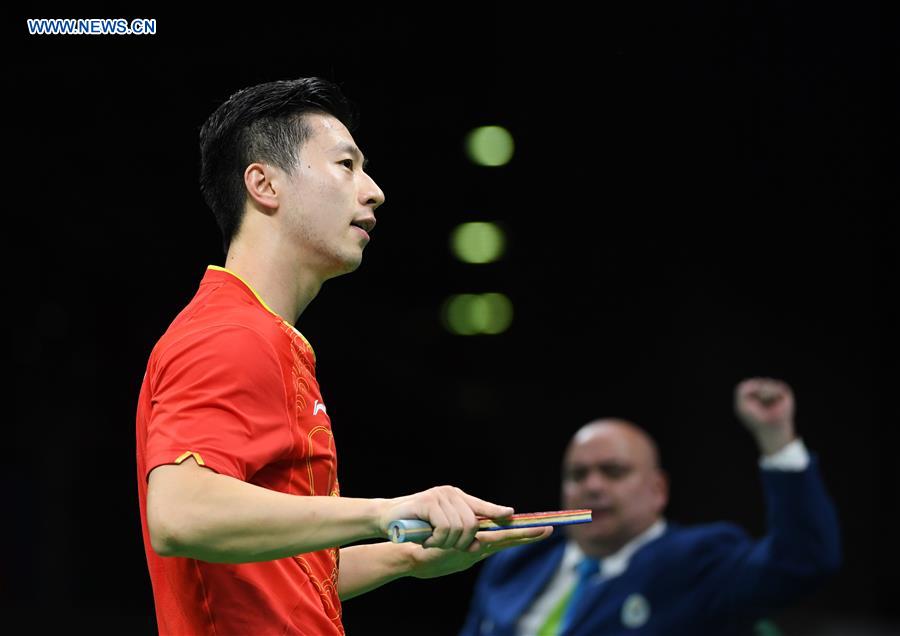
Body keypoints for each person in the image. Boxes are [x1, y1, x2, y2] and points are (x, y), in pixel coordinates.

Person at [135, 77, 552, 636]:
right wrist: (385, 511)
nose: (374, 191)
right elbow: (180, 514)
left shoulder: (265, 336)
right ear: (264, 184)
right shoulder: (230, 334)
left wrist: (405, 553)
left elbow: (276, 576)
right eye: (346, 165)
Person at [460, 378, 841, 635]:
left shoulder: (697, 561)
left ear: (658, 489)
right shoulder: (516, 559)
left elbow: (803, 560)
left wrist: (776, 439)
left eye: (613, 471)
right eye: (578, 474)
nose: (592, 486)